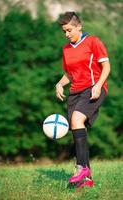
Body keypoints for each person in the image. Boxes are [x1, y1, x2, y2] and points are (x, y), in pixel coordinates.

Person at [55, 11, 111, 188]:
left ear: (79, 26)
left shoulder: (93, 41)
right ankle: (86, 180)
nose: (66, 34)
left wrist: (98, 85)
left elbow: (106, 65)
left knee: (76, 119)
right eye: (64, 31)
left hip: (94, 88)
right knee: (78, 132)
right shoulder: (66, 49)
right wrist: (59, 83)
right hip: (75, 93)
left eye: (69, 30)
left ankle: (80, 168)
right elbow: (70, 74)